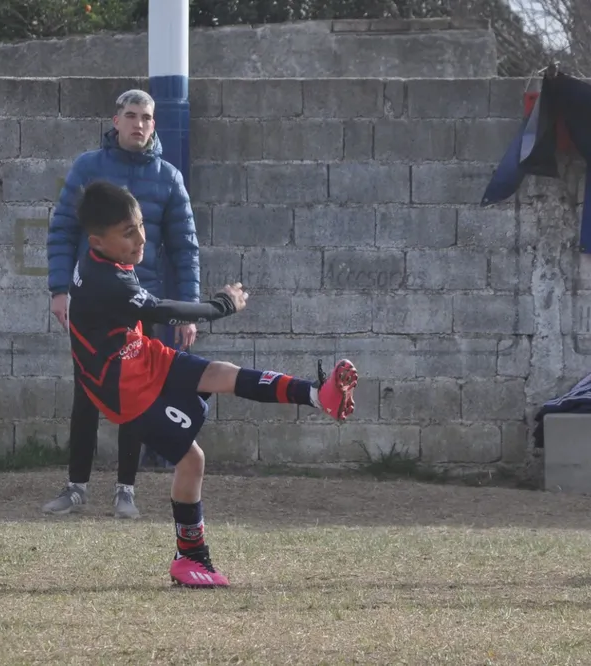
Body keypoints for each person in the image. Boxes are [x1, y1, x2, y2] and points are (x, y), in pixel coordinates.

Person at [68, 180, 358, 587]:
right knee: (193, 460)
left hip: (135, 354)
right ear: (98, 241)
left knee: (220, 371)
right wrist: (220, 306)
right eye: (127, 233)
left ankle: (318, 395)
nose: (139, 238)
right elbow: (161, 308)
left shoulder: (103, 260)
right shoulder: (105, 280)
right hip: (123, 389)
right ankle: (190, 560)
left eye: (139, 225)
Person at [44, 89, 201, 519]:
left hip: (142, 305)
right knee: (86, 395)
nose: (138, 124)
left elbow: (184, 247)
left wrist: (188, 306)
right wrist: (60, 289)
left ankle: (125, 490)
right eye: (130, 115)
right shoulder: (88, 168)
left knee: (137, 396)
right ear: (115, 121)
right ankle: (76, 487)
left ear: (154, 124)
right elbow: (61, 230)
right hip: (92, 305)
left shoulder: (169, 178)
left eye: (146, 117)